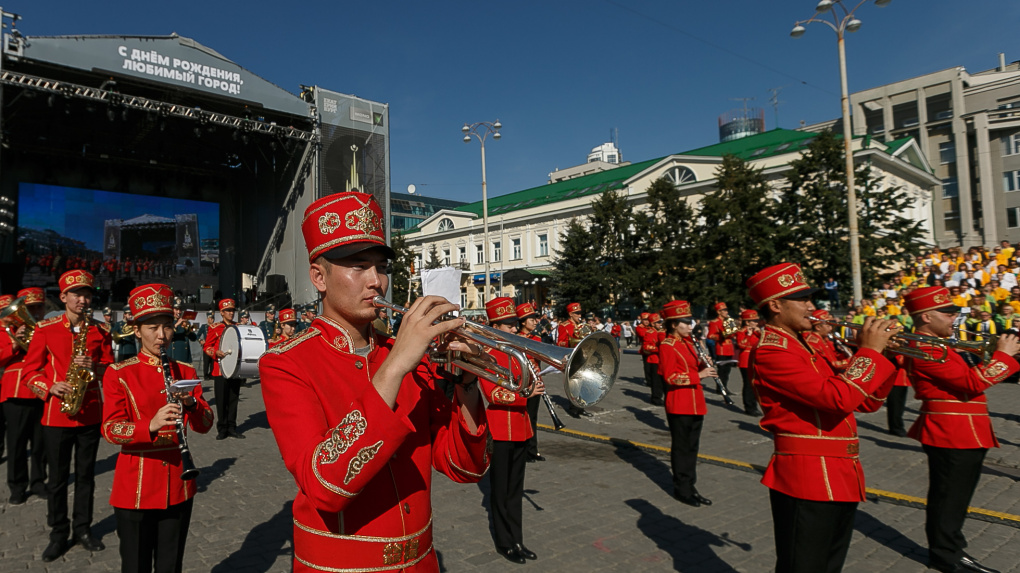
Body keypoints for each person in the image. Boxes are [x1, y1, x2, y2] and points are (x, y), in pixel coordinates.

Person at [259, 191, 489, 572]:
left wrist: (466, 384)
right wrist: (396, 366)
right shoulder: (286, 363)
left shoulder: (404, 355)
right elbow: (325, 486)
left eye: (381, 267)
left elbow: (464, 467)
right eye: (358, 265)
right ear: (319, 276)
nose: (376, 281)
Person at [748, 262, 897, 573]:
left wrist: (885, 356)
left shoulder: (805, 347)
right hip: (807, 478)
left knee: (829, 565)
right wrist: (869, 353)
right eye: (802, 299)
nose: (811, 306)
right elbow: (837, 398)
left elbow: (866, 403)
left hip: (840, 472)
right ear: (775, 305)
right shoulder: (772, 352)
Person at [903, 286, 1020, 573]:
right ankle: (946, 555)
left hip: (968, 429)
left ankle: (952, 547)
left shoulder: (942, 344)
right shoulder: (923, 346)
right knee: (948, 497)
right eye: (948, 313)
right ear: (927, 317)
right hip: (948, 429)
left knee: (958, 497)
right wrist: (1004, 355)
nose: (954, 318)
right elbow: (971, 384)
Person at [101, 284, 214, 573]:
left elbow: (205, 424)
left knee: (170, 565)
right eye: (152, 328)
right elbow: (111, 429)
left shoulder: (185, 372)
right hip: (135, 487)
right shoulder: (119, 373)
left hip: (178, 484)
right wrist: (148, 425)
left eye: (166, 327)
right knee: (135, 566)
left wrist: (191, 404)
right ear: (137, 331)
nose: (161, 335)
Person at [22, 270, 114, 562]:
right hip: (57, 415)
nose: (83, 299)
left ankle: (83, 529)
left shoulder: (100, 332)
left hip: (88, 413)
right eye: (76, 294)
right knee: (59, 479)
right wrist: (50, 386)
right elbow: (29, 373)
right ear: (63, 297)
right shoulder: (46, 330)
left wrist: (95, 364)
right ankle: (58, 533)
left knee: (86, 476)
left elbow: (110, 373)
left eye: (87, 294)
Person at [480, 297, 544, 564]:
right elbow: (493, 393)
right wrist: (526, 394)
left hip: (521, 428)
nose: (514, 329)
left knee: (515, 491)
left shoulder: (519, 352)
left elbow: (527, 380)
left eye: (514, 324)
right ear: (495, 326)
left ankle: (517, 539)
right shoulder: (487, 354)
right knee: (501, 490)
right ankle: (504, 542)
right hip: (500, 429)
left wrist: (536, 380)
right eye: (508, 325)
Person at [657, 300, 716, 507]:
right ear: (674, 324)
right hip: (679, 402)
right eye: (686, 322)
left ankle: (691, 486)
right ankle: (682, 488)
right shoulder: (667, 345)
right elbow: (670, 377)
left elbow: (695, 364)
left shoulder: (690, 343)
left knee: (692, 447)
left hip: (696, 402)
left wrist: (705, 358)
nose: (690, 326)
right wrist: (699, 375)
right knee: (682, 448)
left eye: (690, 322)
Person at [1, 287, 49, 505]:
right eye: (30, 308)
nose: (35, 312)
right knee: (17, 443)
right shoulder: (6, 331)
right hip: (16, 391)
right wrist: (14, 342)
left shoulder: (48, 329)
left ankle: (38, 481)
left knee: (40, 443)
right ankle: (17, 486)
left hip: (42, 390)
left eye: (39, 307)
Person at [203, 299, 245, 440]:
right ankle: (222, 428)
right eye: (228, 311)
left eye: (232, 310)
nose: (231, 313)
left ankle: (232, 427)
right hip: (220, 369)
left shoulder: (238, 327)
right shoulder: (215, 328)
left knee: (233, 399)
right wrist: (215, 352)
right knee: (221, 400)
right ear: (221, 313)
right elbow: (206, 347)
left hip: (234, 369)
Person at [516, 302, 545, 463]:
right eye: (531, 319)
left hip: (536, 382)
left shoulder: (537, 338)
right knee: (522, 416)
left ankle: (532, 450)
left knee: (532, 417)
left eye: (535, 319)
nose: (535, 322)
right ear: (522, 322)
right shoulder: (516, 339)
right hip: (523, 383)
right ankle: (523, 449)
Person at [557, 303, 593, 417]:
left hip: (583, 356)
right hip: (572, 357)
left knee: (583, 382)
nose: (579, 315)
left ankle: (581, 407)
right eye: (576, 313)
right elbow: (560, 342)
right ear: (570, 314)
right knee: (574, 383)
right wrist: (571, 342)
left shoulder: (582, 325)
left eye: (580, 313)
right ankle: (574, 407)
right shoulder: (564, 326)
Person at [734, 309, 762, 417]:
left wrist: (758, 332)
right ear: (747, 322)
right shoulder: (741, 332)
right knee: (748, 385)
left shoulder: (756, 331)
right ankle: (749, 407)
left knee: (755, 385)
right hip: (745, 361)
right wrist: (749, 335)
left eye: (756, 320)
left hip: (755, 360)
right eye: (753, 321)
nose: (756, 322)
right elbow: (741, 344)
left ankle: (754, 405)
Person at [706, 302, 737, 400]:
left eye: (726, 310)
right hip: (721, 348)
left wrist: (732, 333)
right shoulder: (714, 322)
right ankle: (721, 388)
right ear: (719, 312)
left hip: (729, 348)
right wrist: (721, 336)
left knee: (727, 370)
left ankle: (724, 387)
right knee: (722, 371)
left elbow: (733, 333)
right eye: (724, 310)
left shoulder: (729, 321)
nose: (726, 312)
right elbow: (710, 335)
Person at [639, 312, 664, 406]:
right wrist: (659, 349)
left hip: (663, 360)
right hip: (654, 360)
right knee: (656, 381)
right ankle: (656, 398)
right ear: (653, 324)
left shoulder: (663, 332)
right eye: (658, 322)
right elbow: (646, 347)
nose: (660, 324)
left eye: (661, 322)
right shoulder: (649, 333)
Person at [197, 314, 214, 379]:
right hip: (206, 346)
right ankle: (206, 375)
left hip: (213, 346)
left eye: (212, 318)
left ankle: (212, 374)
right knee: (206, 361)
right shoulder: (204, 327)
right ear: (207, 319)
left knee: (213, 362)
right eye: (210, 318)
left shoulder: (215, 326)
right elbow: (198, 335)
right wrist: (200, 340)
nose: (211, 320)